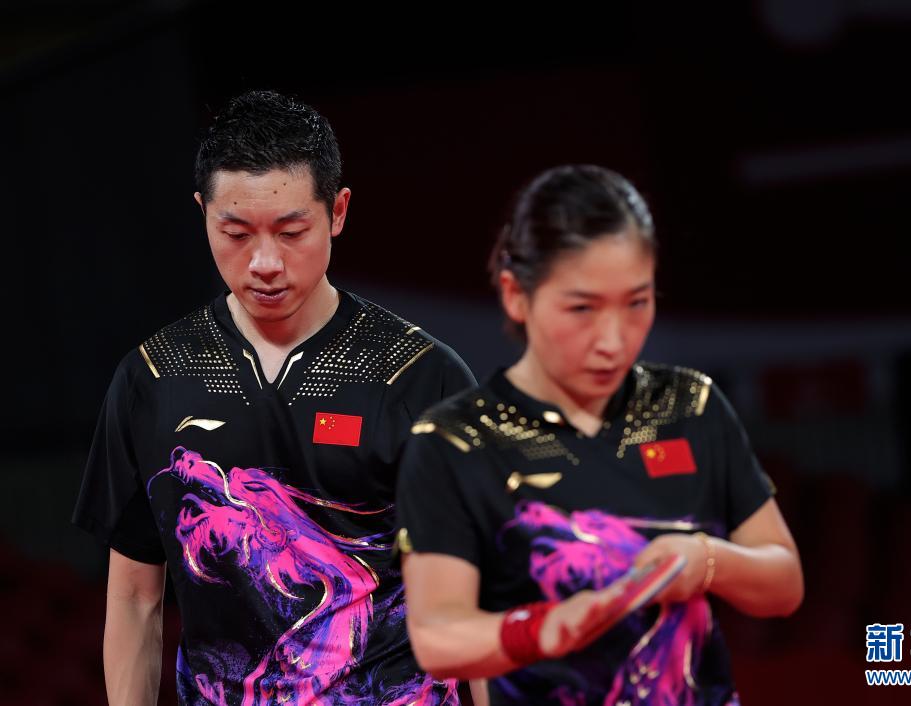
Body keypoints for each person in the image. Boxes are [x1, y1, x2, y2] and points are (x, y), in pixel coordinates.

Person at [72, 90, 474, 706]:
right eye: (235, 232)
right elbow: (134, 597)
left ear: (338, 212)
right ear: (203, 213)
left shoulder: (420, 377)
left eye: (292, 232)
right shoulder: (151, 378)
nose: (264, 262)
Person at [396, 165, 804, 705]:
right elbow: (436, 637)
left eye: (637, 302)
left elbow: (784, 584)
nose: (613, 340)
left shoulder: (690, 405)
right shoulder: (456, 440)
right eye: (582, 308)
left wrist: (707, 559)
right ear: (516, 295)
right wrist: (547, 629)